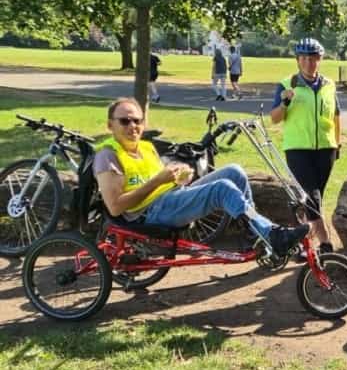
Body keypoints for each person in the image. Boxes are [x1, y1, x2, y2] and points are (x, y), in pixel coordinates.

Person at [94, 97, 309, 256]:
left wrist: (180, 177)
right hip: (149, 214)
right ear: (110, 125)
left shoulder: (145, 147)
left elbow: (161, 180)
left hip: (169, 198)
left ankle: (255, 237)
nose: (133, 126)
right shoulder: (108, 156)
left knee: (234, 171)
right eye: (124, 121)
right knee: (222, 188)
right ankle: (271, 234)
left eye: (137, 121)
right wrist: (158, 181)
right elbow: (115, 207)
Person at [269, 37, 341, 253]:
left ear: (320, 59)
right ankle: (326, 244)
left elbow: (336, 115)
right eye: (304, 58)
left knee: (312, 198)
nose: (309, 63)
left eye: (314, 58)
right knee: (312, 197)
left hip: (326, 149)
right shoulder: (286, 84)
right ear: (298, 61)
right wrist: (284, 102)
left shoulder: (329, 84)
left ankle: (304, 242)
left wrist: (338, 143)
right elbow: (274, 118)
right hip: (298, 149)